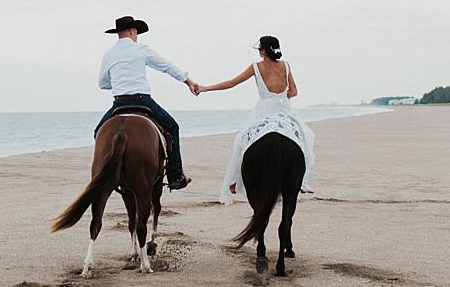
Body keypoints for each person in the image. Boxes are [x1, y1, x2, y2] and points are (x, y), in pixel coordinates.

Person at [197, 34, 315, 204]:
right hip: (284, 110)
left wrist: (206, 88)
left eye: (260, 48)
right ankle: (303, 181)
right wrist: (281, 96)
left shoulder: (256, 67)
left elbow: (232, 83)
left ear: (264, 51)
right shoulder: (286, 65)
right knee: (306, 137)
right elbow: (294, 91)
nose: (259, 51)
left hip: (264, 110)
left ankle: (235, 181)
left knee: (241, 141)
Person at [96, 15, 199, 190]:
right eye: (136, 32)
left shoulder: (109, 54)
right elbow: (167, 66)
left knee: (98, 132)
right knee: (173, 128)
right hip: (143, 100)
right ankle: (175, 175)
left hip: (119, 103)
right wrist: (189, 81)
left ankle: (101, 173)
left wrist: (120, 81)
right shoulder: (142, 49)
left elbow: (103, 83)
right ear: (132, 31)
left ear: (118, 33)